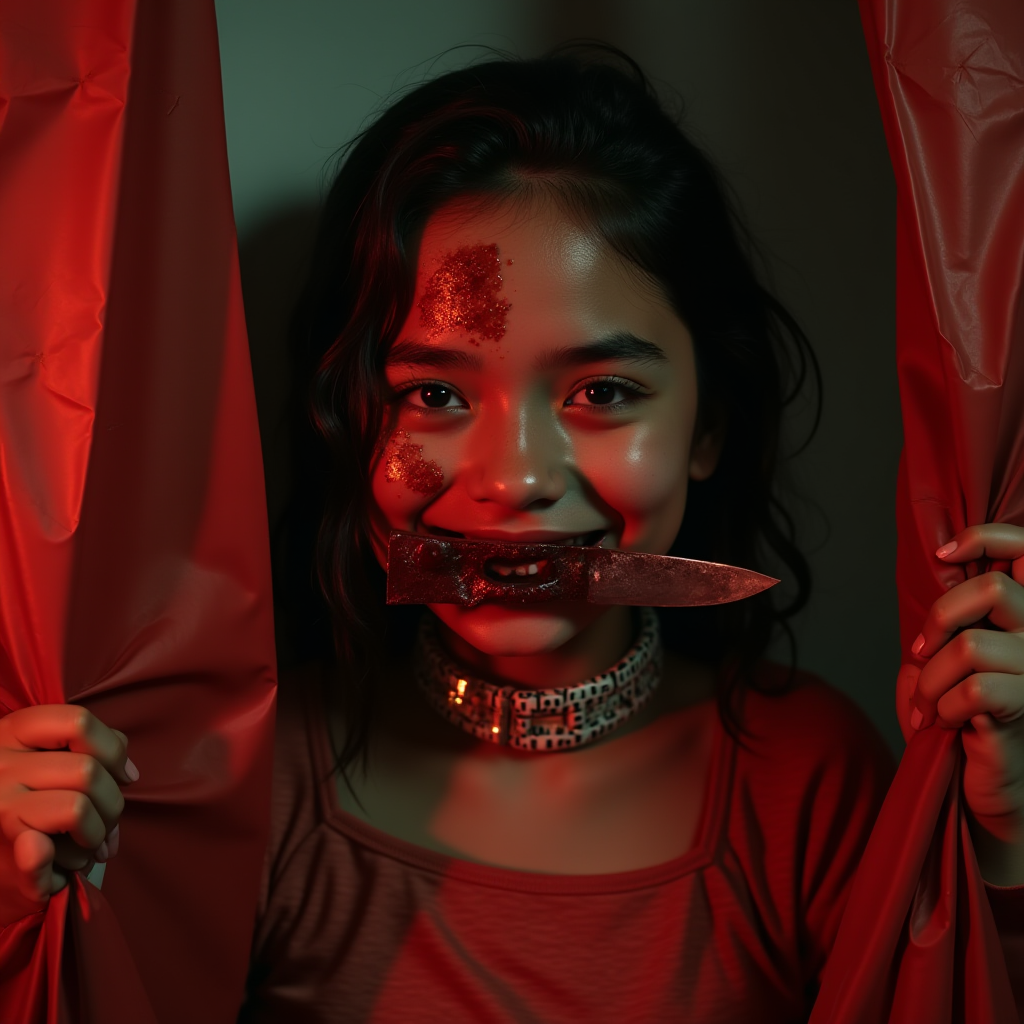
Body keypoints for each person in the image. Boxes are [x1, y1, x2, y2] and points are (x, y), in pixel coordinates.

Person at [1, 48, 1022, 1022]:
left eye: (601, 392)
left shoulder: (812, 776)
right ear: (346, 419)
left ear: (707, 426)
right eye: (436, 392)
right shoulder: (238, 779)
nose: (515, 480)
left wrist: (1009, 841)